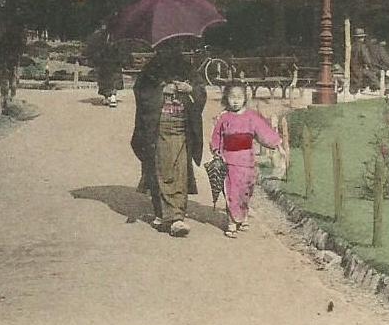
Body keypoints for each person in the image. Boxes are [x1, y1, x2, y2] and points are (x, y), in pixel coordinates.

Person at [131, 40, 207, 237]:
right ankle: (172, 217)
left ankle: (176, 215)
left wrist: (189, 89)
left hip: (182, 127)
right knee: (163, 169)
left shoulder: (187, 68)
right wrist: (161, 90)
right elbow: (141, 92)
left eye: (174, 48)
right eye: (165, 48)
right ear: (158, 49)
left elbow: (200, 90)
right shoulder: (151, 69)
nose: (170, 52)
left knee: (181, 172)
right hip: (161, 126)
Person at [209, 82, 286, 237]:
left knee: (246, 190)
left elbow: (264, 132)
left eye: (239, 97)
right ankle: (232, 221)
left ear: (245, 98)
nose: (235, 101)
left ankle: (242, 216)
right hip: (229, 160)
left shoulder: (252, 116)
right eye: (232, 98)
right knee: (232, 190)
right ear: (226, 99)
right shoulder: (224, 118)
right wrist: (217, 150)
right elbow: (216, 136)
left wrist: (277, 144)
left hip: (247, 160)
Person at [86, 24, 127, 107]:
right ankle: (108, 96)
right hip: (106, 60)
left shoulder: (115, 35)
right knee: (107, 79)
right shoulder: (101, 35)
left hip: (111, 60)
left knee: (112, 78)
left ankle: (112, 96)